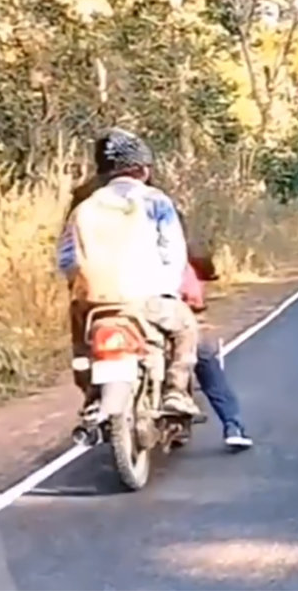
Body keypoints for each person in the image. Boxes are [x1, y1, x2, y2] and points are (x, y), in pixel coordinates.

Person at [57, 128, 201, 417]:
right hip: (146, 299)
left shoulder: (84, 207)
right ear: (142, 169)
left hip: (95, 301)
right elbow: (173, 250)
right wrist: (168, 290)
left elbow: (66, 259)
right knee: (186, 329)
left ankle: (92, 395)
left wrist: (82, 284)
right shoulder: (156, 201)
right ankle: (175, 390)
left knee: (82, 349)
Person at [180, 262, 254, 450]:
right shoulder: (173, 254)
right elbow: (193, 296)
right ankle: (232, 425)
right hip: (161, 316)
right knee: (205, 361)